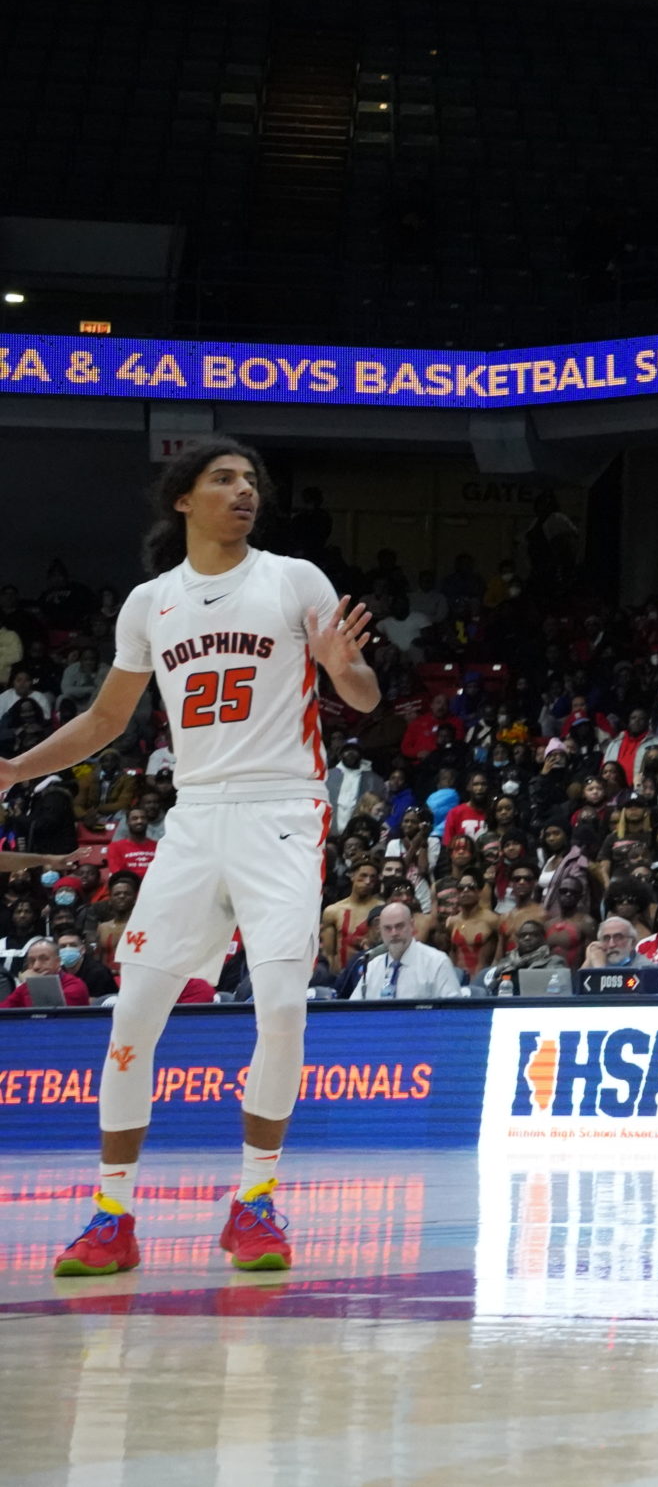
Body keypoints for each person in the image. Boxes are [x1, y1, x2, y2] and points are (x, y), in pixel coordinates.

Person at [3, 440, 380, 1275]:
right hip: (196, 815)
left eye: (251, 481)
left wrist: (342, 670)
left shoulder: (294, 578)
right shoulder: (150, 602)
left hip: (284, 805)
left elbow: (362, 695)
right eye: (224, 479)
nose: (243, 491)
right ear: (183, 500)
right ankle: (111, 1216)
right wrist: (14, 767)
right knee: (133, 1016)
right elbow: (107, 721)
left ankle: (253, 1203)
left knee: (282, 1006)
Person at [348, 901, 462, 1001]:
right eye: (387, 928)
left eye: (399, 926)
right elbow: (354, 1010)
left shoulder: (437, 962)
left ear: (412, 926)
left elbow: (452, 1012)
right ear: (381, 931)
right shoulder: (373, 967)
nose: (394, 933)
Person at [1, 937, 91, 1007]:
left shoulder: (75, 985)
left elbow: (46, 1016)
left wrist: (34, 987)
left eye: (44, 959)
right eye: (31, 961)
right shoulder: (27, 985)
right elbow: (4, 1010)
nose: (36, 966)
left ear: (58, 962)